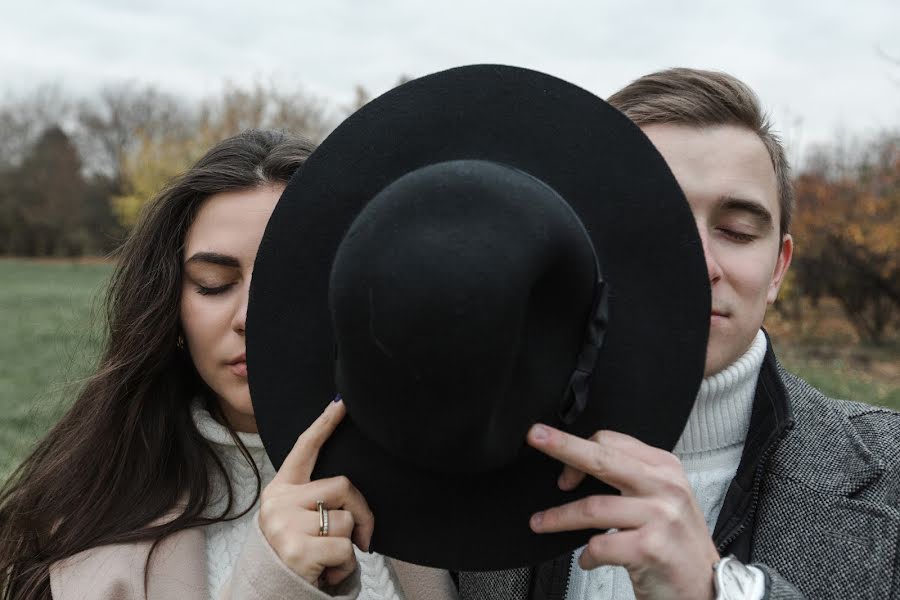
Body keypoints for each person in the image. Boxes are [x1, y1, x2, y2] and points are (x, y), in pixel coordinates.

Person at [457, 68, 900, 599]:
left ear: (778, 268)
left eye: (736, 231)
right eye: (651, 221)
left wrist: (718, 592)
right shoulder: (477, 446)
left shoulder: (889, 469)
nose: (696, 266)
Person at [0, 129, 447, 600]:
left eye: (294, 281)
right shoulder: (82, 539)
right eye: (213, 283)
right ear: (170, 309)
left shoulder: (452, 475)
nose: (251, 319)